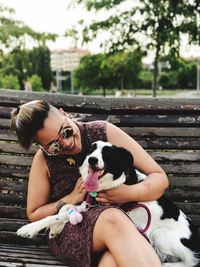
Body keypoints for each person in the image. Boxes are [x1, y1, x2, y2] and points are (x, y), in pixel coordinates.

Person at [11, 100, 169, 267]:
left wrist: (128, 193)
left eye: (66, 131)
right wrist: (70, 199)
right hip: (70, 229)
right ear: (42, 146)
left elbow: (159, 177)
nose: (66, 143)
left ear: (65, 114)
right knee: (113, 218)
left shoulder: (102, 132)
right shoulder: (43, 160)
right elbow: (34, 213)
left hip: (125, 227)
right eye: (54, 145)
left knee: (113, 260)